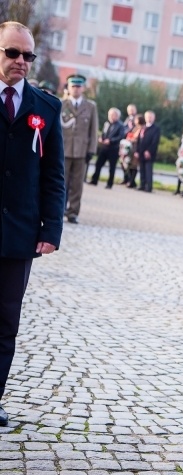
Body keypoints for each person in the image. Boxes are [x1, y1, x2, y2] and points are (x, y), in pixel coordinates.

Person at [0, 21, 66, 426]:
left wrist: (50, 229)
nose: (21, 62)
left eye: (28, 55)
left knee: (6, 321)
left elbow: (54, 175)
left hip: (19, 234)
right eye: (12, 53)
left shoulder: (47, 107)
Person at [61, 73, 98, 224]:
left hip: (82, 152)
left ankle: (73, 212)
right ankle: (59, 210)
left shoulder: (90, 107)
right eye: (73, 86)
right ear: (68, 87)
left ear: (83, 88)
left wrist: (91, 150)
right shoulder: (61, 104)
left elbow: (93, 130)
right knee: (61, 183)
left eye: (78, 86)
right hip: (63, 149)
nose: (76, 89)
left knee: (77, 184)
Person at [89, 107, 125, 188]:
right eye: (110, 115)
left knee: (112, 167)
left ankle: (110, 183)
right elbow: (104, 133)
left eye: (113, 115)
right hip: (104, 148)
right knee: (98, 164)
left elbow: (121, 136)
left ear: (117, 116)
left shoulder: (120, 125)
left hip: (113, 149)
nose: (111, 116)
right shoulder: (106, 124)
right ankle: (94, 180)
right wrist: (101, 138)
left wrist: (111, 140)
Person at [135, 110, 160, 192]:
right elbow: (138, 140)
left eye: (151, 117)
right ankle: (142, 185)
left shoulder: (156, 129)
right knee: (142, 169)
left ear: (154, 118)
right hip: (141, 152)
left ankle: (148, 187)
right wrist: (137, 151)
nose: (149, 118)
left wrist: (149, 151)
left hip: (149, 153)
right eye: (147, 117)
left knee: (148, 170)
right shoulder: (143, 127)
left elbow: (155, 141)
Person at [122, 114, 144, 188]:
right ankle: (130, 181)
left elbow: (137, 138)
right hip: (131, 149)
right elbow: (129, 134)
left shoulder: (141, 128)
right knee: (130, 165)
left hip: (136, 149)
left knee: (134, 166)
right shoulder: (135, 127)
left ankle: (132, 181)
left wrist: (132, 139)